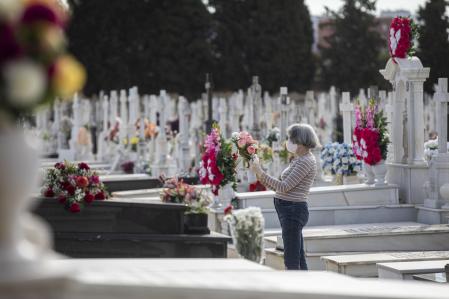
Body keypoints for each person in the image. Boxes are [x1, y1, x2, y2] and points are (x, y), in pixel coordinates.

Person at [250, 123, 319, 270]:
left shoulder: (305, 161)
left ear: (300, 141)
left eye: (291, 139)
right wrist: (259, 174)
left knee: (292, 259)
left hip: (293, 210)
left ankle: (295, 288)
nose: (288, 142)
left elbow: (284, 186)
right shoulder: (299, 158)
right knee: (298, 256)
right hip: (288, 210)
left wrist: (261, 172)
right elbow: (279, 187)